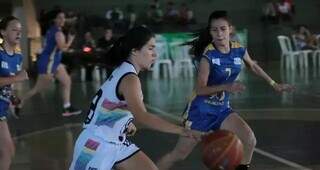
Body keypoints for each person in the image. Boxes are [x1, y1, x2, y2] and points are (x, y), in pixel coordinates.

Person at [157, 10, 294, 170]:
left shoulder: (238, 49)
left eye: (223, 29)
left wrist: (274, 83)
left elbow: (253, 66)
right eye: (214, 30)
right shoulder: (208, 55)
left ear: (231, 29)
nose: (219, 33)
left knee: (249, 139)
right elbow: (200, 90)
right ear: (210, 32)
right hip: (200, 111)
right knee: (179, 155)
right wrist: (226, 87)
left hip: (221, 109)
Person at [69, 26, 201, 170]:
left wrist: (126, 122)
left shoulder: (125, 71)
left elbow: (118, 107)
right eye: (150, 48)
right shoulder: (130, 78)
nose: (155, 54)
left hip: (116, 142)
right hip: (95, 145)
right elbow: (142, 116)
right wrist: (182, 130)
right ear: (135, 50)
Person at [16, 10, 81, 117]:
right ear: (54, 20)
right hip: (48, 63)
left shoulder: (52, 30)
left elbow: (55, 48)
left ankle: (67, 107)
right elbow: (63, 48)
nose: (62, 20)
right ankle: (18, 102)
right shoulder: (58, 33)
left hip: (53, 62)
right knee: (38, 88)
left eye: (63, 18)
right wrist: (70, 40)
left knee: (67, 81)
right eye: (59, 18)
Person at [0, 16, 29, 170]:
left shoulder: (18, 57)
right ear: (3, 32)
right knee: (8, 150)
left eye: (20, 31)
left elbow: (8, 85)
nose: (18, 33)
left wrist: (12, 98)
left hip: (2, 107)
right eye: (13, 29)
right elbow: (13, 79)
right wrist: (18, 78)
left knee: (7, 150)